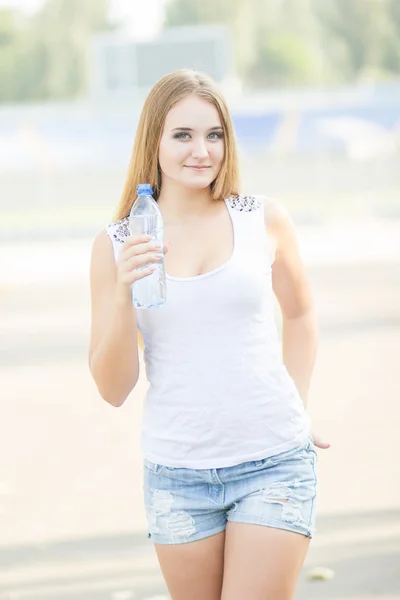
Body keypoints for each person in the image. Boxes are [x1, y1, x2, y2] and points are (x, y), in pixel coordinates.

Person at [89, 68, 330, 600]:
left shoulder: (262, 219)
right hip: (177, 478)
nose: (202, 150)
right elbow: (113, 388)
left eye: (214, 134)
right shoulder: (116, 243)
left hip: (274, 462)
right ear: (153, 140)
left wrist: (299, 402)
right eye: (183, 135)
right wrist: (120, 293)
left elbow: (300, 314)